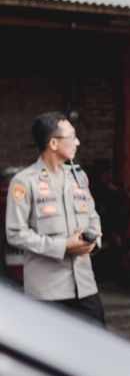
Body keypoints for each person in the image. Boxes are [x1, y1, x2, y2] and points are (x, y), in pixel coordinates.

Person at [5, 111, 105, 324]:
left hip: (84, 286)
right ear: (53, 143)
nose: (77, 142)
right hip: (47, 292)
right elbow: (15, 234)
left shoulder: (79, 177)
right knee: (52, 354)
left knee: (97, 351)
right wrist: (62, 246)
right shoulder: (24, 182)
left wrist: (93, 242)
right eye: (72, 137)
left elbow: (93, 217)